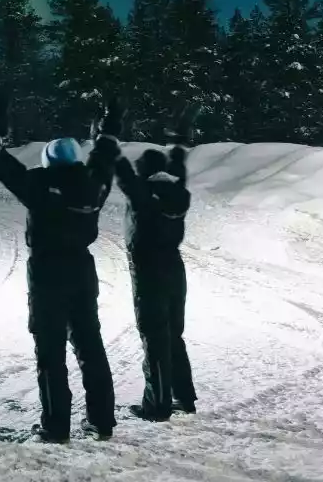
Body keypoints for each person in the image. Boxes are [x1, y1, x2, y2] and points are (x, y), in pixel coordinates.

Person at [0, 87, 122, 443]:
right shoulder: (94, 184)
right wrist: (112, 120)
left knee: (50, 351)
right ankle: (102, 421)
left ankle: (55, 425)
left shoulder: (38, 185)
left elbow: (2, 164)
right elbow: (106, 152)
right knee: (90, 346)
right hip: (82, 270)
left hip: (47, 274)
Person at [114, 104, 200, 421]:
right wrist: (181, 132)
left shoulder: (142, 194)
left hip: (148, 273)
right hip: (175, 270)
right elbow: (178, 159)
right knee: (173, 335)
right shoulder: (176, 188)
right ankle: (185, 398)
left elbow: (119, 168)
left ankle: (158, 405)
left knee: (154, 337)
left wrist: (109, 134)